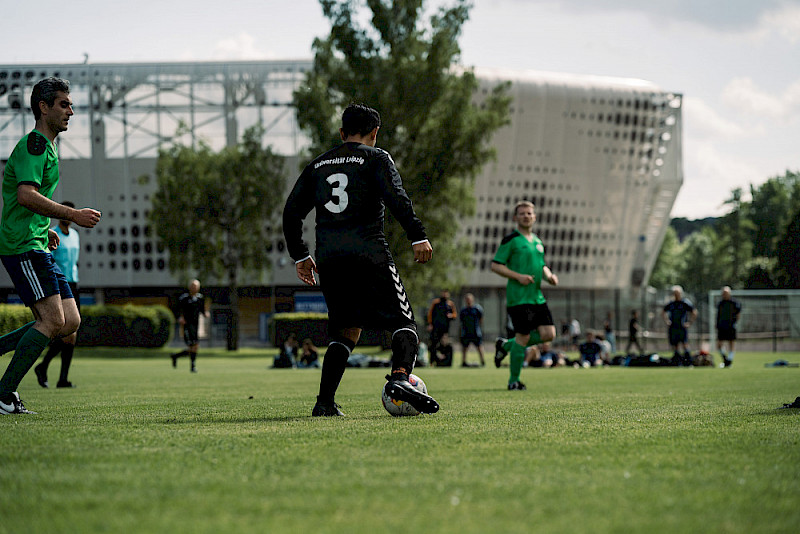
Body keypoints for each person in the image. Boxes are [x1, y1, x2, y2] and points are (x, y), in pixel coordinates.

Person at [282, 103, 438, 416]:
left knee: (345, 330)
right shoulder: (376, 157)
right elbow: (396, 197)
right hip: (369, 252)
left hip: (330, 258)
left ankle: (324, 403)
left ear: (342, 133)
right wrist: (417, 235)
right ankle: (400, 378)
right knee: (403, 321)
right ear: (375, 132)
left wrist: (300, 255)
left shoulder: (318, 164)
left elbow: (291, 213)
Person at [0, 77, 101, 415]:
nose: (71, 111)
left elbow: (31, 201)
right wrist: (71, 215)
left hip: (36, 241)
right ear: (43, 107)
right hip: (21, 245)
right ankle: (3, 394)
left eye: (70, 104)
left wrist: (46, 230)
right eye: (64, 104)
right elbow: (25, 195)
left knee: (69, 321)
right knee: (51, 320)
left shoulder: (47, 146)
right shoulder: (35, 145)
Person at [491, 200, 559, 390]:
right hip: (518, 298)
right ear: (515, 217)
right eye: (522, 213)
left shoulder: (537, 241)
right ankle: (514, 381)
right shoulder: (511, 240)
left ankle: (506, 346)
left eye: (529, 213)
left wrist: (549, 276)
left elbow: (541, 265)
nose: (526, 216)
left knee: (549, 334)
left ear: (534, 217)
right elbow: (495, 265)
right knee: (523, 337)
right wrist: (518, 277)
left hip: (537, 296)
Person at [33, 201, 81, 389]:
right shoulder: (52, 233)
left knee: (72, 334)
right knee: (65, 331)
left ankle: (59, 377)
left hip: (73, 283)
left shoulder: (75, 235)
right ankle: (45, 368)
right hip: (58, 284)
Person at [170, 279, 207, 373]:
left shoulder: (200, 298)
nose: (194, 288)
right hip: (186, 325)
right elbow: (176, 310)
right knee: (193, 346)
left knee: (194, 347)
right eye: (193, 286)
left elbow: (202, 310)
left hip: (196, 325)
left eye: (196, 286)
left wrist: (206, 314)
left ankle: (176, 356)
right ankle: (192, 366)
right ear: (189, 287)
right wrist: (179, 318)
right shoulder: (184, 298)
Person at [662, 285, 697, 366]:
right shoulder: (671, 303)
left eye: (677, 293)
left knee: (685, 344)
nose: (676, 295)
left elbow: (694, 312)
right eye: (675, 293)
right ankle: (677, 362)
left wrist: (689, 322)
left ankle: (688, 362)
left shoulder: (685, 302)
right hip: (673, 327)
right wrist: (667, 321)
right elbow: (663, 312)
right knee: (675, 345)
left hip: (682, 327)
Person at [426, 290, 456, 361]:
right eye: (443, 293)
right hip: (436, 327)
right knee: (433, 343)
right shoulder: (436, 303)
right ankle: (432, 360)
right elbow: (430, 314)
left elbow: (455, 314)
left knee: (444, 344)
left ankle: (444, 361)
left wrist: (451, 315)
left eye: (446, 293)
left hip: (445, 329)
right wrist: (430, 324)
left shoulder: (450, 304)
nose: (444, 295)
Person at [716, 286, 742, 368]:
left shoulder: (735, 303)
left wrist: (734, 323)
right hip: (722, 326)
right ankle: (725, 359)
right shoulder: (720, 303)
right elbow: (718, 315)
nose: (724, 295)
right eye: (723, 293)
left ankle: (729, 360)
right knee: (719, 345)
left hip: (731, 326)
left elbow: (738, 314)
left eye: (726, 293)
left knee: (731, 343)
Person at [459, 293, 485, 367]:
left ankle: (483, 362)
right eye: (467, 299)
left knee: (479, 346)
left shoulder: (477, 309)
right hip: (466, 332)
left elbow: (481, 319)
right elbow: (461, 321)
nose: (468, 301)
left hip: (475, 331)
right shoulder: (463, 310)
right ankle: (463, 362)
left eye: (469, 299)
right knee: (464, 347)